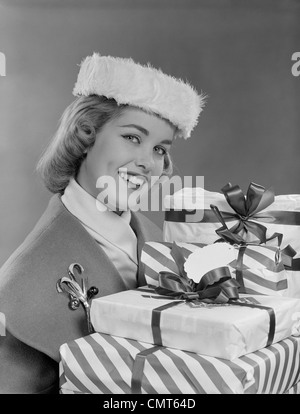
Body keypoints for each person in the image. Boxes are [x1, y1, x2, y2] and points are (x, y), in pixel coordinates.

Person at [0, 53, 205, 394]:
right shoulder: (20, 285)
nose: (147, 163)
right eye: (132, 138)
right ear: (85, 135)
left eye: (159, 149)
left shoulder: (158, 242)